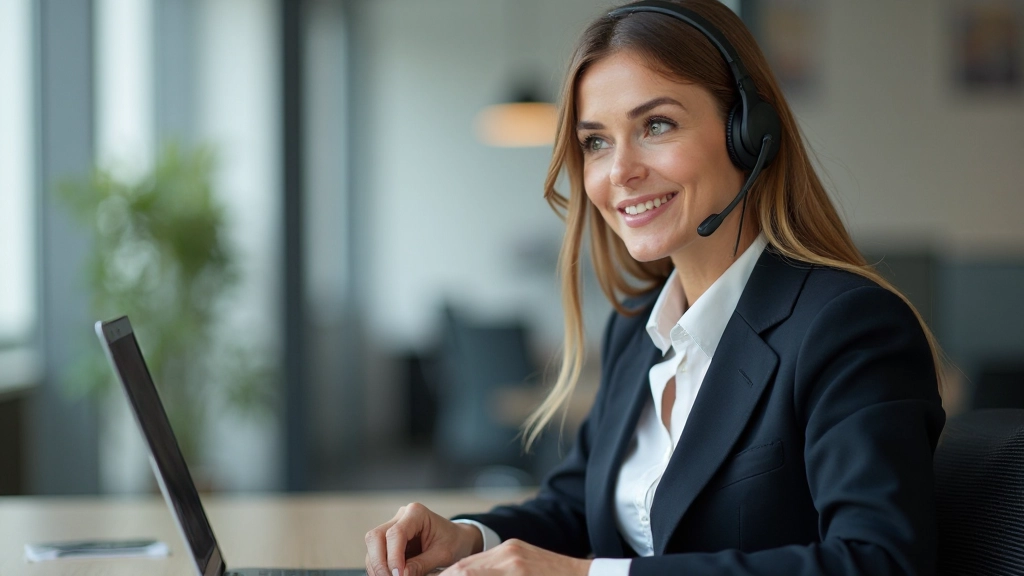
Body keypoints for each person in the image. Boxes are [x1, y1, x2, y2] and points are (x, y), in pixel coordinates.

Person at [364, 1, 946, 575]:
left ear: (748, 134)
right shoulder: (637, 327)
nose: (620, 171)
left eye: (656, 125)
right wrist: (469, 537)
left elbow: (879, 561)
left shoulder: (847, 327)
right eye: (596, 142)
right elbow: (578, 506)